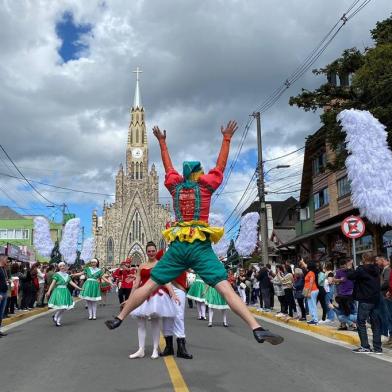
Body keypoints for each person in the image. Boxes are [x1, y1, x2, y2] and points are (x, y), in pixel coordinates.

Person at [105, 121, 283, 346]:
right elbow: (220, 166)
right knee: (225, 289)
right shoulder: (206, 187)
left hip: (179, 245)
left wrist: (162, 143)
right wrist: (226, 138)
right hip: (199, 247)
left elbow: (168, 167)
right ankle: (256, 327)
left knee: (149, 285)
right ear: (198, 174)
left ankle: (119, 318)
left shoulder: (175, 187)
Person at [129, 242, 178, 360]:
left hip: (156, 295)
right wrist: (130, 299)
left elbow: (166, 280)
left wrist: (172, 293)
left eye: (153, 250)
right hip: (143, 295)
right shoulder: (141, 266)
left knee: (155, 323)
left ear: (156, 251)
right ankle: (141, 349)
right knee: (140, 323)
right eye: (149, 251)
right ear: (146, 252)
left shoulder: (160, 264)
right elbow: (136, 284)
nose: (151, 253)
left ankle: (155, 349)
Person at [160, 251, 193, 359]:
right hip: (165, 287)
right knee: (166, 316)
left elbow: (190, 267)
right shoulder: (163, 252)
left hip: (179, 288)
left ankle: (181, 347)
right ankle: (169, 347)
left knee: (178, 315)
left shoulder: (183, 252)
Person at [347, 253, 382, 354]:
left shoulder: (362, 269)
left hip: (365, 299)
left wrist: (349, 268)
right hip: (376, 299)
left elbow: (350, 276)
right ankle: (377, 348)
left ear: (363, 259)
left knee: (361, 323)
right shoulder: (377, 268)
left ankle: (365, 346)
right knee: (376, 323)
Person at [46, 262, 83, 326]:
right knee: (62, 306)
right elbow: (53, 283)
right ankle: (55, 317)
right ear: (59, 267)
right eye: (61, 266)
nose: (62, 267)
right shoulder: (56, 274)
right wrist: (49, 291)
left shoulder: (67, 275)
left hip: (65, 291)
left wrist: (79, 288)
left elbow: (71, 283)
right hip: (58, 291)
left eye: (63, 266)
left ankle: (58, 320)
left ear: (65, 267)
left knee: (64, 307)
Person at [0, 253, 10, 337]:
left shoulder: (4, 269)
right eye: (6, 259)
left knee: (1, 313)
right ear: (2, 259)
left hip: (4, 292)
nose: (7, 260)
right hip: (0, 293)